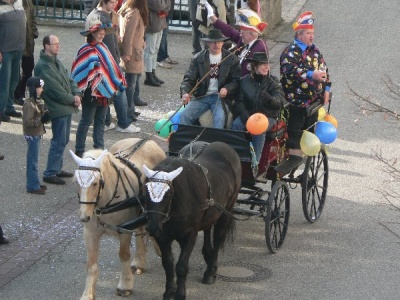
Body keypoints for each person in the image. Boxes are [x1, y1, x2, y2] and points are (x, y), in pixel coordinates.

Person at [71, 19, 127, 158]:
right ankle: (79, 149)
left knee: (100, 121)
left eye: (103, 33)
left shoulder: (103, 48)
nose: (102, 35)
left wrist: (116, 81)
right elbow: (79, 71)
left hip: (104, 92)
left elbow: (111, 67)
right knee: (86, 121)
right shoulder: (85, 49)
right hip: (91, 92)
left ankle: (99, 148)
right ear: (92, 33)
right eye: (99, 33)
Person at [280, 11, 331, 158]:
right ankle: (293, 164)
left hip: (313, 102)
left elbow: (324, 69)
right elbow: (289, 71)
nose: (312, 36)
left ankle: (305, 161)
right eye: (308, 33)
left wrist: (326, 88)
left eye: (312, 33)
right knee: (295, 137)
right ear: (299, 34)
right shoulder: (289, 52)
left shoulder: (314, 51)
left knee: (309, 133)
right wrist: (311, 74)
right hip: (296, 102)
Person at [86, 0, 140, 133]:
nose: (114, 5)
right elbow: (110, 45)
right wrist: (116, 63)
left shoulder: (93, 14)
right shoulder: (103, 19)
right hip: (107, 61)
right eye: (111, 2)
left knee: (104, 91)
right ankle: (123, 124)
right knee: (119, 91)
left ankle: (106, 121)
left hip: (97, 60)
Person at [34, 35, 82, 185]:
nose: (58, 46)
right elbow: (55, 90)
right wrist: (72, 99)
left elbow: (69, 80)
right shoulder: (43, 66)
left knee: (64, 139)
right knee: (59, 140)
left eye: (59, 44)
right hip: (58, 108)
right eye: (55, 44)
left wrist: (77, 93)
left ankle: (56, 168)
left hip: (66, 106)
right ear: (46, 46)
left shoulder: (57, 62)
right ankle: (50, 172)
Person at [180, 29, 240, 128]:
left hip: (219, 98)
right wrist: (185, 92)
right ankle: (190, 140)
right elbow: (188, 79)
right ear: (208, 43)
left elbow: (236, 81)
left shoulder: (232, 59)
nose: (216, 45)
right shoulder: (198, 58)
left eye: (219, 42)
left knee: (220, 119)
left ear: (222, 42)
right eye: (213, 42)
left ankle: (215, 143)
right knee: (184, 116)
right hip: (202, 96)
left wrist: (227, 89)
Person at [231, 52, 286, 161]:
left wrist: (269, 99)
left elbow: (280, 101)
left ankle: (255, 161)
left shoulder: (273, 82)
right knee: (236, 125)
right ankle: (237, 158)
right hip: (249, 114)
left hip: (267, 116)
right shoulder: (244, 81)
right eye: (263, 64)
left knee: (259, 128)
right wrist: (245, 115)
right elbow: (239, 101)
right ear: (255, 66)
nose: (267, 67)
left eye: (268, 64)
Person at [205, 3, 268, 77]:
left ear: (251, 34)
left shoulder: (260, 48)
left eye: (242, 32)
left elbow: (248, 73)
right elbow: (229, 31)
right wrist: (212, 17)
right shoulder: (245, 39)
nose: (240, 35)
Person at [119, 0, 151, 128]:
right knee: (130, 85)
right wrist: (127, 52)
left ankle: (130, 109)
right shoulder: (135, 12)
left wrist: (142, 40)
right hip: (132, 53)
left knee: (132, 82)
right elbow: (128, 34)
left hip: (134, 51)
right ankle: (127, 112)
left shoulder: (129, 10)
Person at [0, 0, 25, 122]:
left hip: (18, 48)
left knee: (14, 80)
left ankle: (9, 107)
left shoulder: (19, 3)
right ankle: (1, 110)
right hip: (5, 50)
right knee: (4, 82)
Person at [23, 77, 49, 195]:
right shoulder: (29, 104)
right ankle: (32, 185)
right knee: (32, 161)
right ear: (34, 88)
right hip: (32, 134)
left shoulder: (36, 100)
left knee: (35, 160)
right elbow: (28, 122)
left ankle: (35, 182)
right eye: (39, 87)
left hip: (36, 134)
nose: (41, 89)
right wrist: (41, 119)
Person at [14, 0, 39, 106]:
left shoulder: (28, 1)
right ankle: (16, 95)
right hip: (14, 41)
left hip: (28, 40)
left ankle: (22, 92)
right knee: (14, 70)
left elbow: (32, 17)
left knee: (28, 67)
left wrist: (34, 32)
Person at [144, 0, 171, 87]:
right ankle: (148, 75)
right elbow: (158, 5)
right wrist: (165, 4)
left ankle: (152, 71)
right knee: (150, 50)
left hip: (160, 21)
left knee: (155, 49)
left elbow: (169, 5)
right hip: (152, 23)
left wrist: (165, 5)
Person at [156, 0, 179, 69]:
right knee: (162, 36)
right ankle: (160, 59)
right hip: (162, 10)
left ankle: (164, 56)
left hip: (167, 10)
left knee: (164, 35)